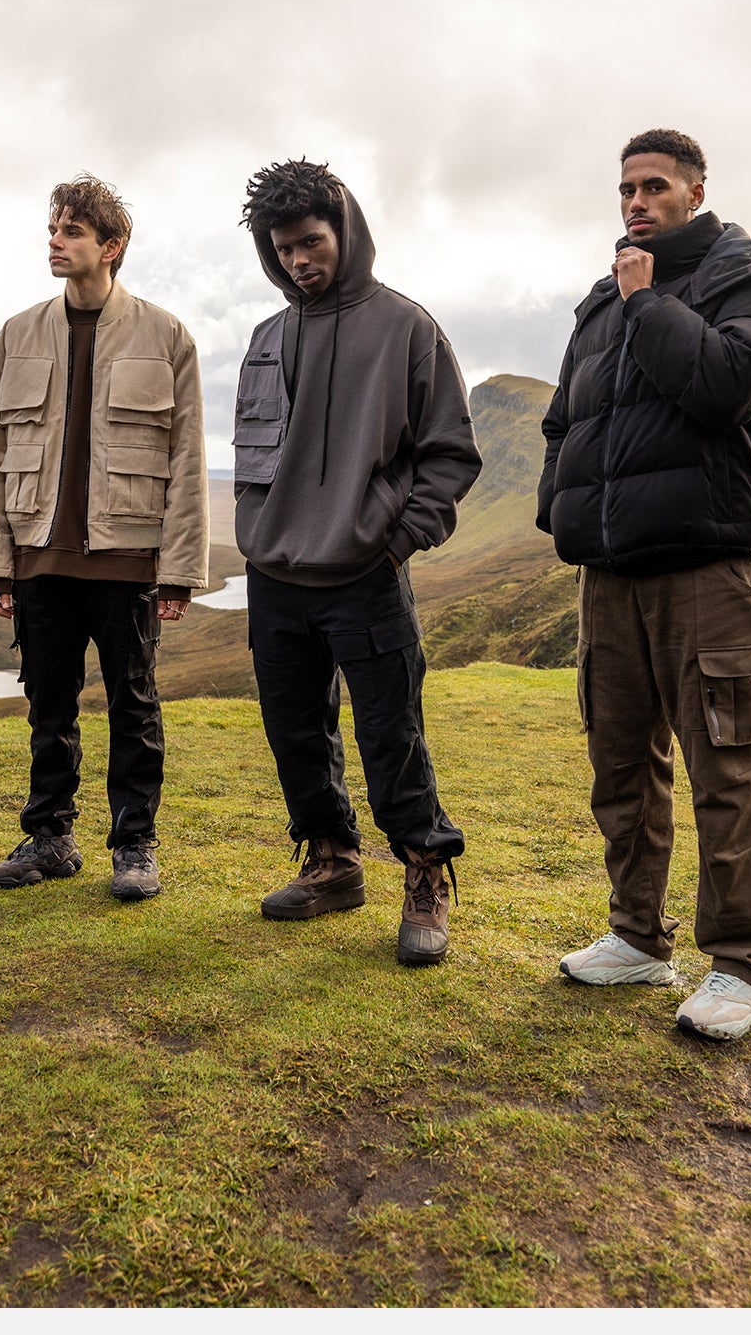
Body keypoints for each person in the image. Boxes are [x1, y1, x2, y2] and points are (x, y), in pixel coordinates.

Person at [540, 128, 751, 1042]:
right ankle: (637, 936)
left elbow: (728, 384)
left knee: (726, 768)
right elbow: (564, 417)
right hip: (610, 573)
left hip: (708, 568)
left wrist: (647, 303)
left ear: (696, 189)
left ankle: (744, 965)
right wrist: (559, 509)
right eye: (625, 189)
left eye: (654, 186)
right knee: (620, 763)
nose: (635, 202)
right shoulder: (598, 301)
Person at [232, 161, 479, 966]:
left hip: (366, 575)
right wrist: (256, 532)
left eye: (312, 242)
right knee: (294, 731)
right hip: (275, 578)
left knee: (389, 733)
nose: (300, 260)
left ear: (344, 231)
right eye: (285, 250)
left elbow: (450, 454)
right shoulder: (267, 339)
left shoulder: (407, 326)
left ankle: (424, 875)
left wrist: (396, 538)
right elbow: (253, 459)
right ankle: (333, 863)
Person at [0, 174, 209, 901]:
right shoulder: (16, 334)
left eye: (71, 231)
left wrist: (179, 570)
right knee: (49, 702)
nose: (54, 241)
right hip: (39, 555)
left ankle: (134, 846)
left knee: (133, 703)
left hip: (128, 559)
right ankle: (50, 837)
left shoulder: (167, 335)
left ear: (113, 246)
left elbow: (188, 457)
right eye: (52, 228)